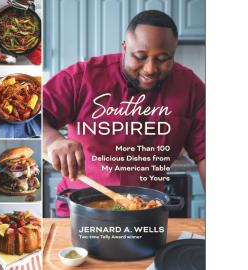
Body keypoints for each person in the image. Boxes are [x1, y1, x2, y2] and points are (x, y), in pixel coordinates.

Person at [43, 10, 205, 217]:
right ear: (124, 48)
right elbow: (32, 116)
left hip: (145, 209)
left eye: (163, 59)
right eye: (140, 57)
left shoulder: (191, 88)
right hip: (81, 207)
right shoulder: (82, 77)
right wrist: (52, 140)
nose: (150, 69)